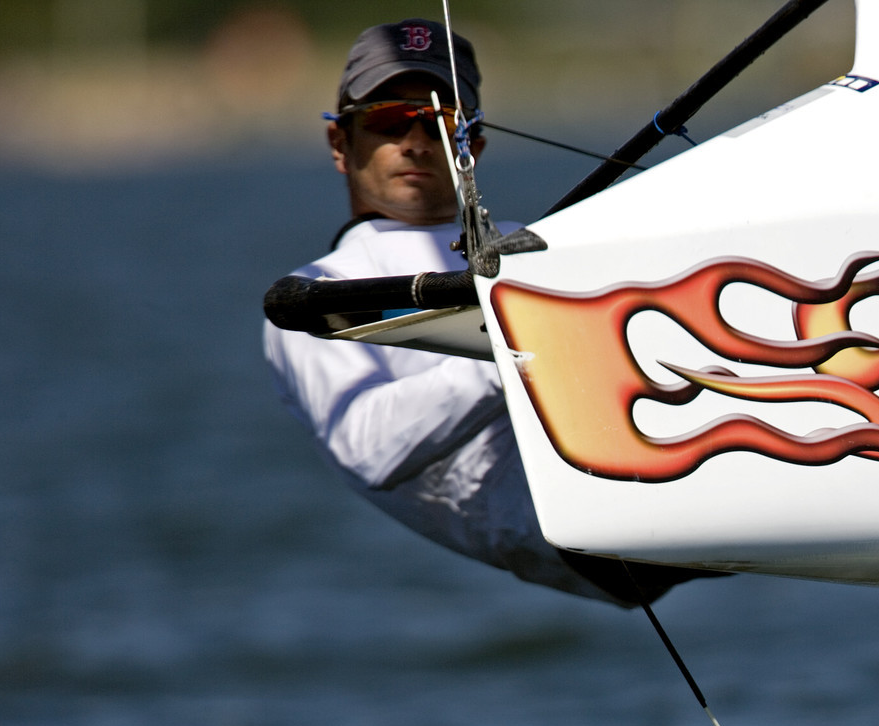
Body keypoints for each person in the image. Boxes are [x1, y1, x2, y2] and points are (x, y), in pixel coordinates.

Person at [264, 19, 710, 606]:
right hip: (582, 537)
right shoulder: (315, 294)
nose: (416, 142)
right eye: (389, 121)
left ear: (473, 143)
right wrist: (519, 342)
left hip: (688, 461)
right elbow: (368, 446)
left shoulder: (543, 241)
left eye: (441, 123)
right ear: (340, 144)